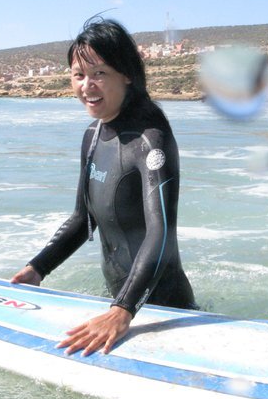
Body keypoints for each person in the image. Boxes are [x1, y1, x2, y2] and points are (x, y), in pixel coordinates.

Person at [11, 18, 196, 355]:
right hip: (121, 307)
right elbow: (84, 219)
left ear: (126, 73)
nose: (86, 86)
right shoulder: (93, 135)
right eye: (78, 75)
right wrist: (37, 268)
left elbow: (161, 232)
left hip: (165, 311)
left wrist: (123, 310)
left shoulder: (151, 138)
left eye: (99, 74)